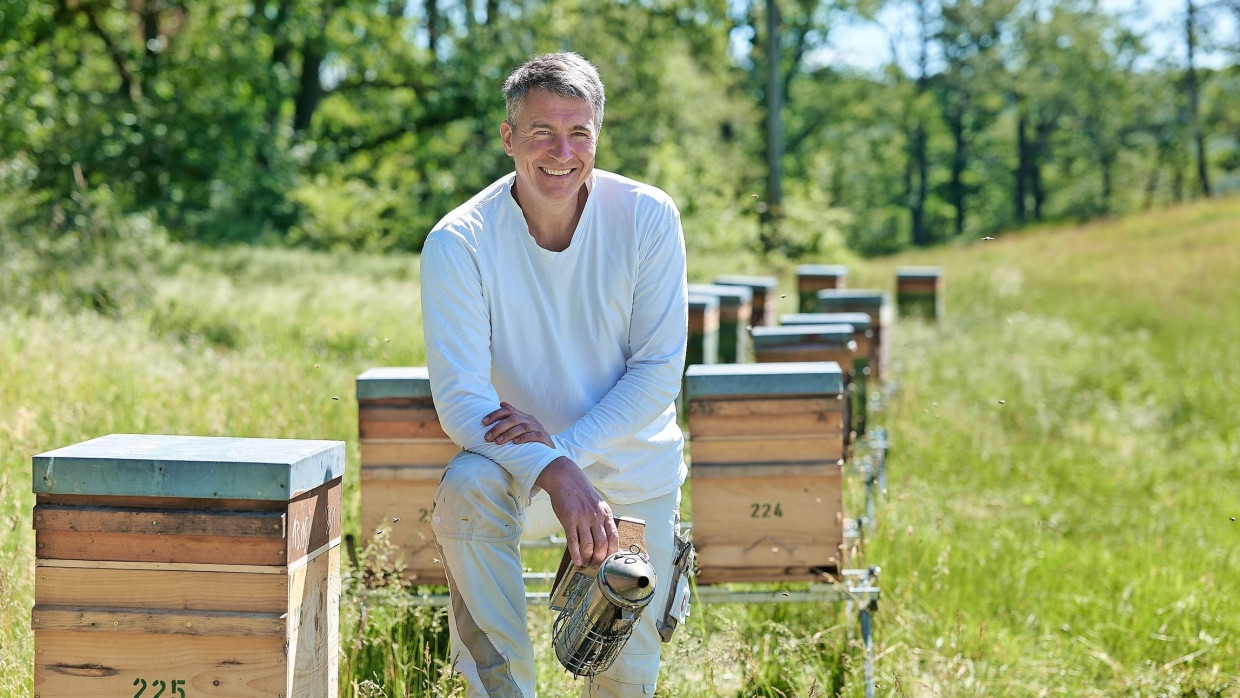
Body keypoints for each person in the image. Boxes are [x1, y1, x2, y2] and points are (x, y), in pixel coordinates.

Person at [419, 51, 689, 697]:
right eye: (541, 131)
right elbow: (461, 402)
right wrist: (552, 472)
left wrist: (564, 457)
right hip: (519, 473)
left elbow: (657, 372)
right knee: (468, 484)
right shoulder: (459, 241)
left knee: (624, 674)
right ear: (508, 137)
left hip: (628, 469)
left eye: (579, 133)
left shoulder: (648, 217)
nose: (561, 151)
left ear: (598, 134)